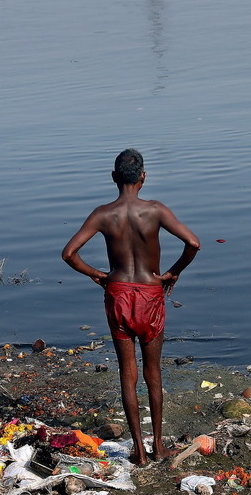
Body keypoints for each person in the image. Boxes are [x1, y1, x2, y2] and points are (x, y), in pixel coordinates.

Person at [62, 149, 200, 465]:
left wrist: (99, 274)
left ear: (114, 178)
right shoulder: (155, 210)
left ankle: (138, 451)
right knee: (153, 372)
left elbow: (69, 253)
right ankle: (159, 446)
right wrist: (173, 271)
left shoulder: (102, 214)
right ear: (143, 177)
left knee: (128, 372)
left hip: (119, 293)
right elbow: (193, 243)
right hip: (151, 293)